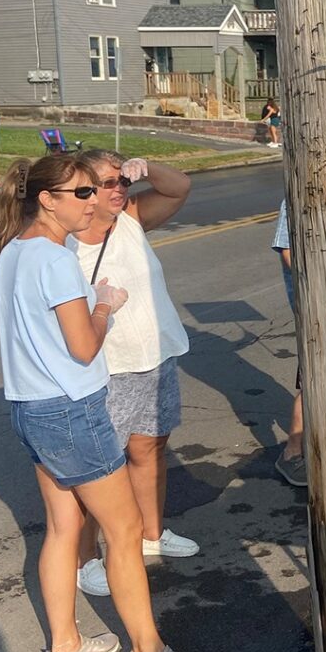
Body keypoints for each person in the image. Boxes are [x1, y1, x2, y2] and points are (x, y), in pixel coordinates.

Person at [0, 153, 212, 652]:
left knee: (64, 527)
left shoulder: (11, 251)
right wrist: (106, 305)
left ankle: (64, 646)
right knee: (125, 530)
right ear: (47, 199)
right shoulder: (56, 259)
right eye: (82, 194)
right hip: (72, 409)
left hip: (30, 407)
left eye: (96, 191)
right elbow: (85, 347)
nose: (93, 203)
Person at [67, 150, 196, 598]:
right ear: (83, 189)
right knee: (99, 471)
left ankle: (151, 536)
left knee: (150, 449)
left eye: (124, 180)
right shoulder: (66, 241)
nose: (119, 189)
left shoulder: (131, 220)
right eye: (107, 183)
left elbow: (178, 187)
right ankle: (86, 560)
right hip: (107, 369)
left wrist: (148, 165)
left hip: (155, 356)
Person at [272, 200, 306, 487]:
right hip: (314, 306)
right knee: (313, 380)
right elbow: (288, 251)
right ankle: (292, 452)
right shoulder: (296, 195)